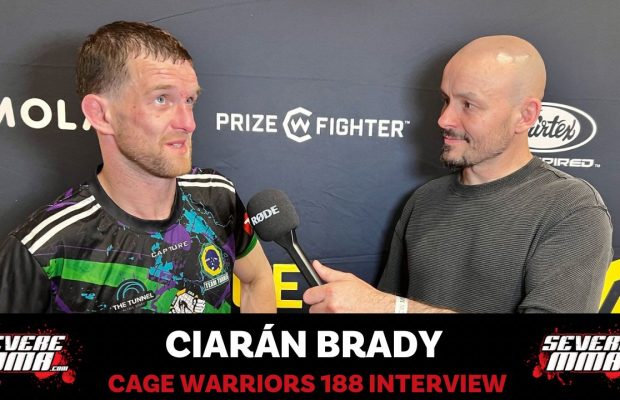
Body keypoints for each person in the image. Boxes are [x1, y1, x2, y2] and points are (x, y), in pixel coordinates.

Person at [303, 35, 613, 313]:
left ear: (525, 115)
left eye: (468, 105)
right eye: (446, 100)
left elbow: (547, 351)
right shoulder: (424, 200)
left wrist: (391, 308)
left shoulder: (571, 209)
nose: (444, 119)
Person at [0, 21, 276, 313]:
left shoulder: (217, 196)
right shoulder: (43, 251)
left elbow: (257, 278)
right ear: (101, 114)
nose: (188, 123)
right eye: (161, 99)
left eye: (189, 100)